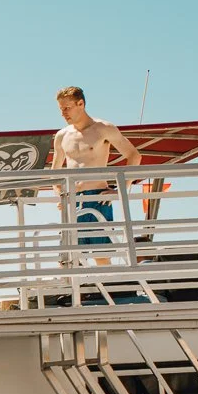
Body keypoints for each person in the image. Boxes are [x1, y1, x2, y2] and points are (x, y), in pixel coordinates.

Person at [51, 85, 143, 266]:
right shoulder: (62, 136)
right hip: (72, 200)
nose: (64, 113)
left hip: (98, 198)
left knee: (101, 255)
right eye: (61, 109)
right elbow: (55, 172)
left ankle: (107, 292)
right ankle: (75, 294)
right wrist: (60, 195)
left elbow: (134, 156)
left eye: (67, 108)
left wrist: (121, 190)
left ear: (80, 104)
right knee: (68, 259)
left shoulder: (103, 128)